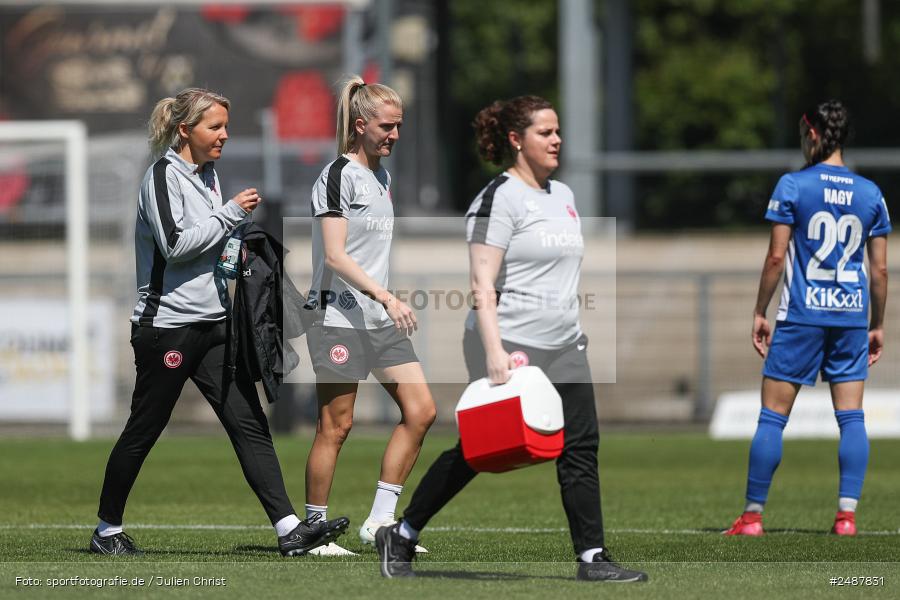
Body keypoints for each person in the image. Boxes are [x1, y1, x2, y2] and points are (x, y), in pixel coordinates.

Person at [375, 95, 648, 582]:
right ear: (517, 140)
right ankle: (402, 533)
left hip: (565, 345)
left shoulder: (563, 195)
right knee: (481, 450)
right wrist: (495, 351)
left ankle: (592, 558)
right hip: (508, 343)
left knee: (581, 447)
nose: (557, 139)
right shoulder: (498, 198)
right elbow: (481, 283)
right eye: (545, 132)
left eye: (557, 131)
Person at [90, 88, 349, 557]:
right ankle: (106, 530)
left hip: (214, 323)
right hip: (167, 327)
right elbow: (175, 245)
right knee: (145, 428)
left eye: (226, 126)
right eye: (214, 126)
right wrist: (230, 213)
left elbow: (211, 243)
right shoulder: (161, 176)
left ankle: (289, 529)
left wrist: (239, 248)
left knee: (248, 422)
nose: (224, 135)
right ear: (184, 129)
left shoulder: (209, 175)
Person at [724, 100, 890, 537]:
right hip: (851, 317)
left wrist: (759, 311)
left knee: (772, 417)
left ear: (812, 134)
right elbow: (880, 270)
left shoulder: (793, 185)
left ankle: (752, 518)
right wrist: (877, 323)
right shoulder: (871, 193)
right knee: (851, 418)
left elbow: (776, 258)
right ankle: (846, 517)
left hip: (801, 315)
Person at [302, 76, 436, 556]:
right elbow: (335, 256)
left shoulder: (384, 178)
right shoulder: (337, 175)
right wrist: (386, 296)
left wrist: (383, 302)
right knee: (336, 427)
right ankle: (313, 532)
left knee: (421, 412)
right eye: (386, 126)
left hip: (379, 318)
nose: (394, 135)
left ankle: (380, 522)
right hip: (337, 319)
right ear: (360, 125)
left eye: (399, 126)